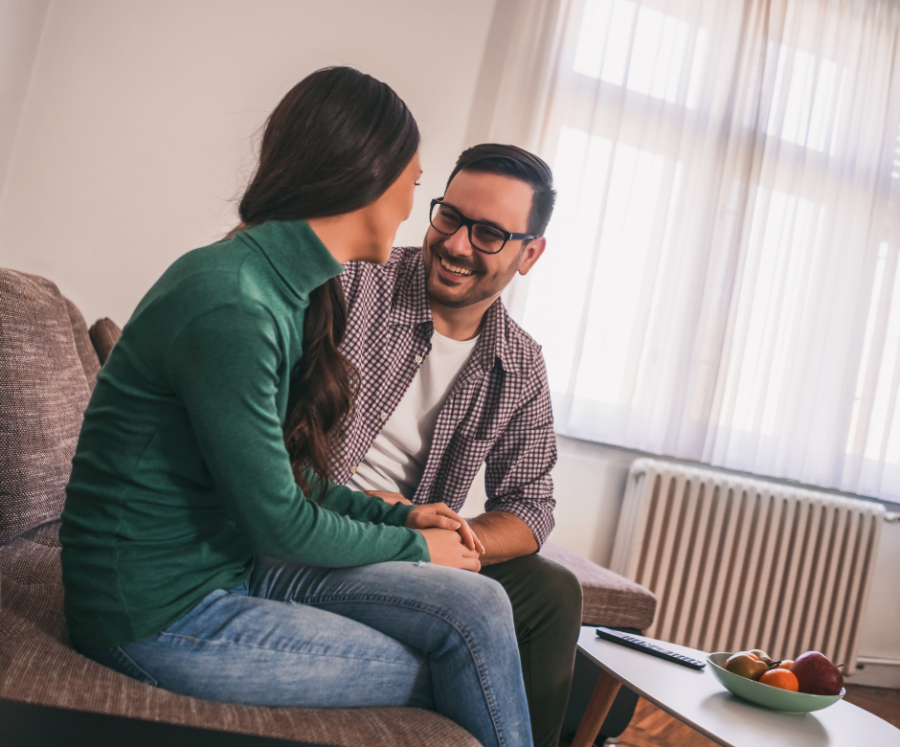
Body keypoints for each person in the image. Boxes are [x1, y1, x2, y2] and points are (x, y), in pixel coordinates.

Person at [59, 68, 532, 747]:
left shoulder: (283, 286)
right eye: (415, 184)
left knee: (481, 603)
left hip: (225, 562)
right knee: (445, 660)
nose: (410, 210)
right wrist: (414, 547)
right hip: (152, 614)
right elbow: (279, 522)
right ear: (365, 177)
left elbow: (279, 479)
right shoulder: (235, 303)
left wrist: (394, 512)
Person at [329, 143, 583, 747]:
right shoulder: (354, 282)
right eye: (450, 216)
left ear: (530, 254)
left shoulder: (518, 362)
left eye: (490, 233)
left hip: (409, 542)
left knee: (550, 591)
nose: (458, 245)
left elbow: (530, 506)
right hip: (318, 522)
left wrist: (452, 540)